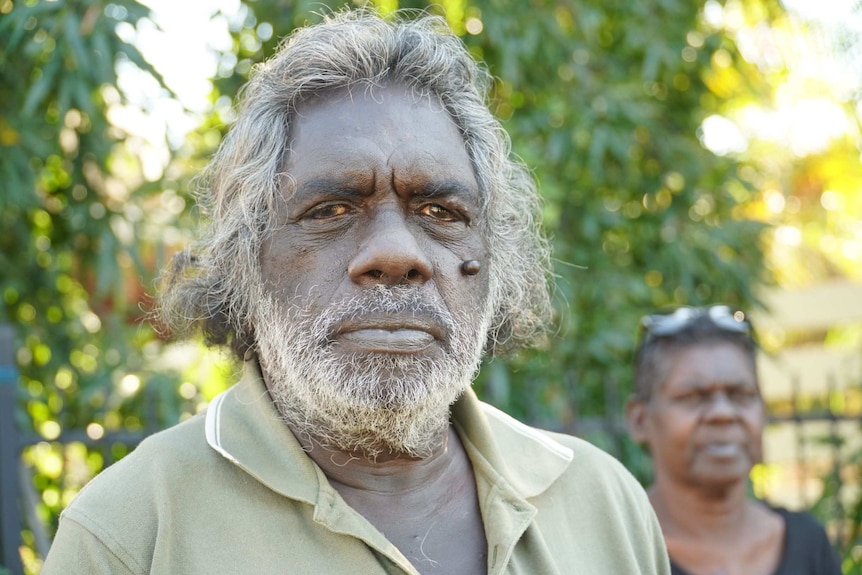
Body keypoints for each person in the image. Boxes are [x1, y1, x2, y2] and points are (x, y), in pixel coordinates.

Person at [43, 9, 670, 574]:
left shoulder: (603, 503)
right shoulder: (129, 535)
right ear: (248, 259)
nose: (396, 255)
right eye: (333, 209)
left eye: (439, 211)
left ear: (491, 257)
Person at [625, 305, 842, 575]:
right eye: (694, 396)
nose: (723, 413)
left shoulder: (807, 543)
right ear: (640, 420)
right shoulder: (620, 551)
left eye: (740, 395)